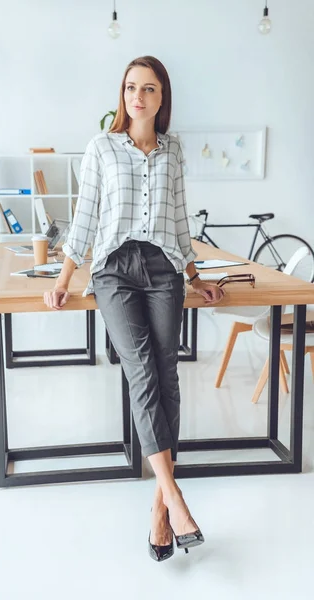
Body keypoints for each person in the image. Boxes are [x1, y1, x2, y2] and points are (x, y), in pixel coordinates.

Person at [44, 55, 225, 562]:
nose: (137, 96)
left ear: (162, 97)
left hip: (165, 270)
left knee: (166, 379)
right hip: (115, 271)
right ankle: (175, 497)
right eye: (129, 87)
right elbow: (84, 221)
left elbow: (180, 221)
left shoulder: (174, 151)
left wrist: (195, 276)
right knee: (142, 370)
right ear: (121, 94)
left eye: (148, 88)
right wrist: (63, 280)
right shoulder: (102, 147)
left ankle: (159, 511)